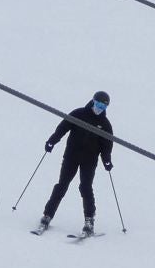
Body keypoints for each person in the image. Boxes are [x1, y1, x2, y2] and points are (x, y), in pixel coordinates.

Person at [35, 91, 113, 236]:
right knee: (62, 185)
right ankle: (47, 215)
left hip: (89, 161)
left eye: (103, 106)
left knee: (85, 187)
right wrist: (52, 141)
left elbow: (107, 145)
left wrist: (107, 160)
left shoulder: (105, 124)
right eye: (97, 104)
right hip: (71, 156)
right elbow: (63, 128)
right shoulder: (78, 114)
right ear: (92, 101)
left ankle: (89, 220)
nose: (99, 108)